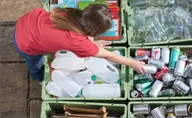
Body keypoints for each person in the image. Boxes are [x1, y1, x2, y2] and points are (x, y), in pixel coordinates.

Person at [13, 4, 145, 83]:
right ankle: (38, 77)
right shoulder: (77, 41)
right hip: (25, 43)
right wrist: (132, 63)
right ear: (95, 31)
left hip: (26, 21)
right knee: (35, 62)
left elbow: (81, 32)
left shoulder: (72, 13)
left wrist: (93, 44)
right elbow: (107, 56)